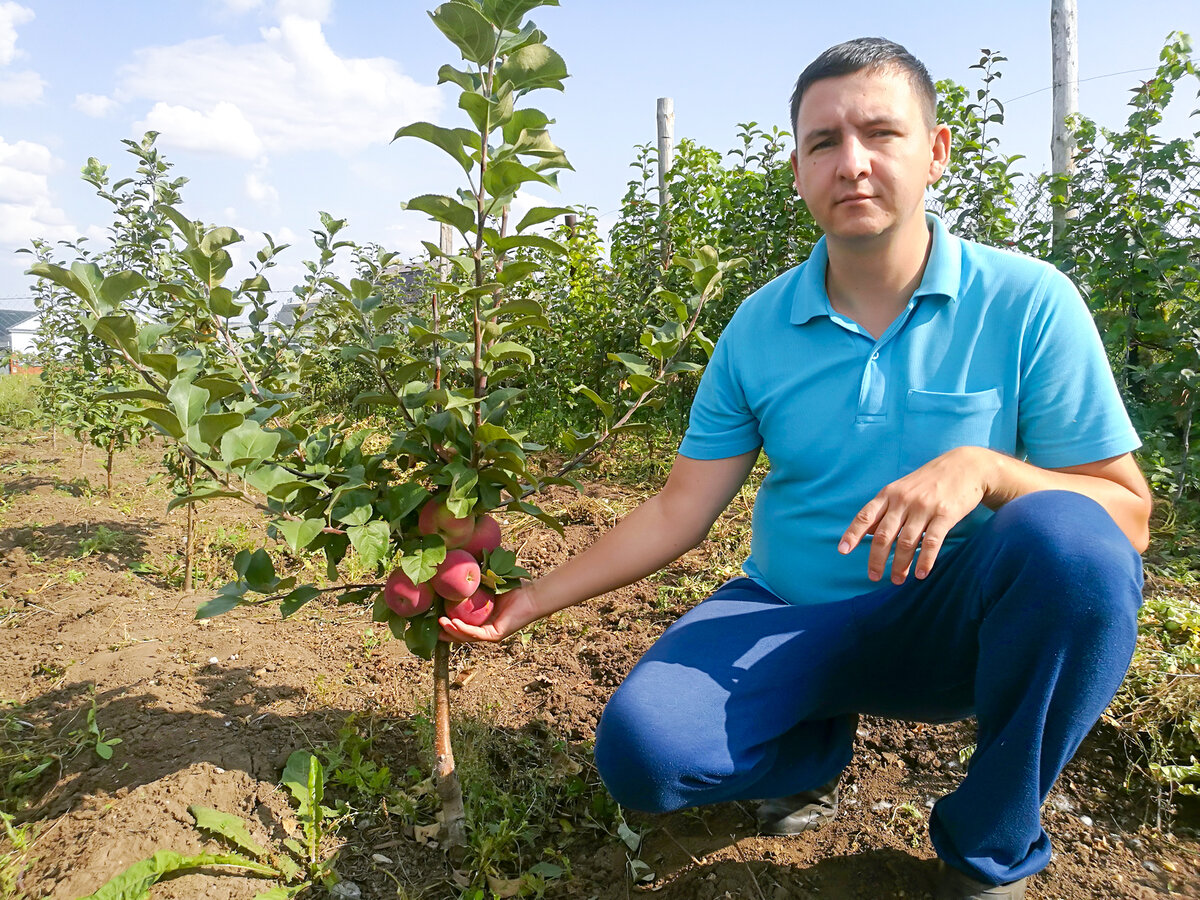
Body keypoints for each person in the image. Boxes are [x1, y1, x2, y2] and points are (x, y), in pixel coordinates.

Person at [439, 37, 1151, 900]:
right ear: (797, 168)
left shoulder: (1030, 302)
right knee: (647, 754)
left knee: (1074, 545)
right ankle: (813, 747)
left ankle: (988, 842)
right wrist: (532, 599)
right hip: (792, 610)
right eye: (824, 142)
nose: (852, 163)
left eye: (881, 133)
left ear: (935, 152)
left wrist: (985, 471)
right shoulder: (759, 327)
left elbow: (1126, 513)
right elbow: (678, 508)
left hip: (957, 623)